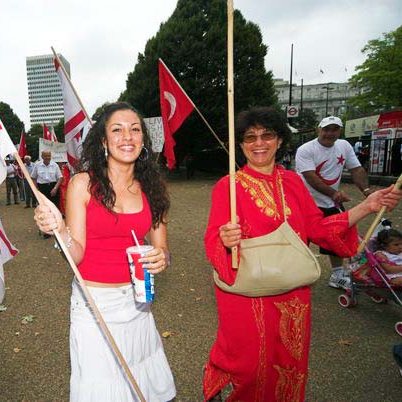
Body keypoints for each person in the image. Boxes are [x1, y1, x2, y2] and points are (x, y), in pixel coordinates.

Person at [203, 107, 401, 402]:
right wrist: (225, 239)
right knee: (249, 367)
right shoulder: (228, 187)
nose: (259, 143)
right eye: (250, 137)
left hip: (292, 294)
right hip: (246, 294)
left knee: (288, 364)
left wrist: (367, 206)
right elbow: (212, 242)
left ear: (280, 140)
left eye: (267, 135)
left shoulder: (294, 182)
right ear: (241, 144)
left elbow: (318, 228)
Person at [34, 102, 176, 401]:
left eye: (135, 129)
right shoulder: (83, 183)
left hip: (138, 303)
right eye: (117, 130)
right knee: (102, 389)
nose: (127, 136)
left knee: (141, 382)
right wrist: (59, 229)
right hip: (94, 306)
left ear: (143, 140)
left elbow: (162, 248)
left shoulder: (153, 188)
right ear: (103, 141)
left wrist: (162, 258)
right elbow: (76, 255)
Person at [295, 115, 372, 289]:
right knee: (301, 240)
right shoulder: (306, 149)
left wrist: (367, 191)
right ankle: (297, 274)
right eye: (326, 129)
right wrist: (334, 193)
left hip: (330, 203)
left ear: (340, 131)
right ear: (318, 130)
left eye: (334, 129)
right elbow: (310, 177)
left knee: (336, 237)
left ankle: (337, 274)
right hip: (305, 204)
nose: (330, 133)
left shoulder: (344, 145)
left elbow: (356, 169)